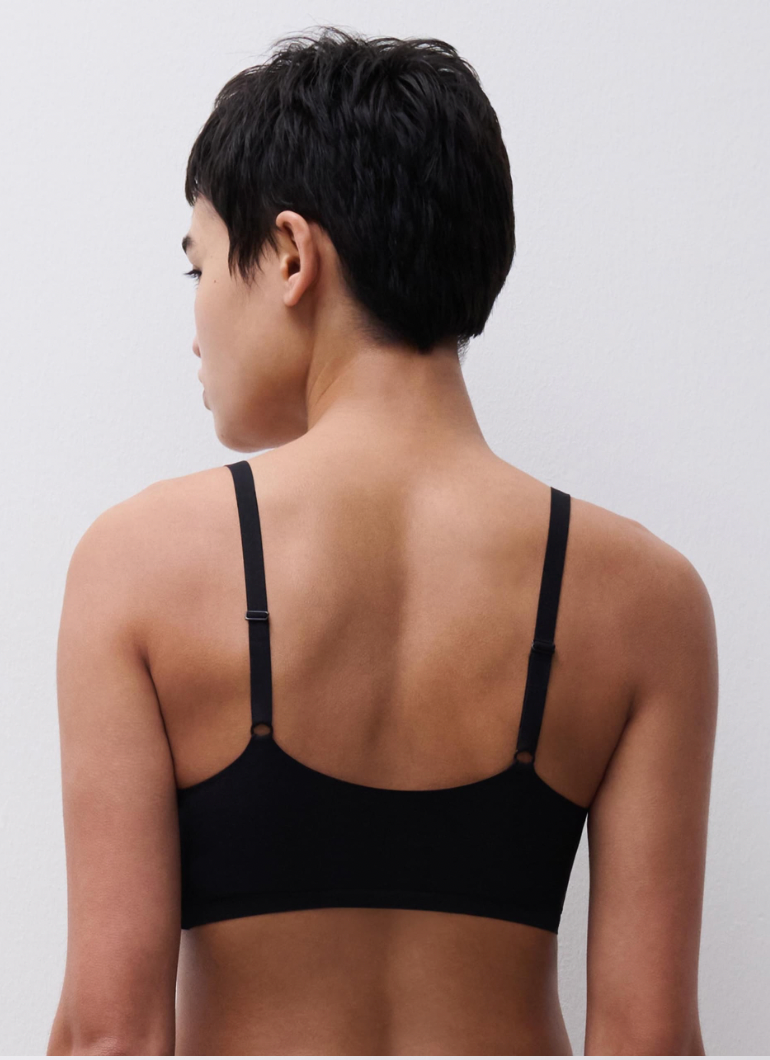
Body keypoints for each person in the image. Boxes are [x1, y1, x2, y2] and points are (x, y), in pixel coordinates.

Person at [46, 26, 718, 1057]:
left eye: (198, 268)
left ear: (289, 255)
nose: (195, 328)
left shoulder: (137, 568)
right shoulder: (647, 601)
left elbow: (112, 1039)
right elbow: (649, 1043)